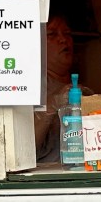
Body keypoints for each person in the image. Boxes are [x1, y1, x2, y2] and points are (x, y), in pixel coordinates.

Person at [34, 13, 92, 162]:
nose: (63, 39)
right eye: (52, 34)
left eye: (67, 34)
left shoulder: (80, 86)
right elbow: (23, 146)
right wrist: (53, 104)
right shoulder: (31, 88)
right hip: (47, 173)